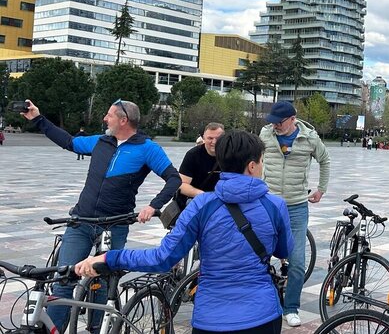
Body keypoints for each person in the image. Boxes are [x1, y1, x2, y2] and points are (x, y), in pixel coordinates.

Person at [75, 130, 293, 334]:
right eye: (262, 161)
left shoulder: (202, 205)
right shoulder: (275, 205)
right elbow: (284, 250)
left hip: (211, 318)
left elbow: (162, 258)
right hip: (262, 314)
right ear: (252, 166)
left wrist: (111, 257)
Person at [20, 99, 181, 332]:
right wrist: (37, 118)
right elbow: (68, 141)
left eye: (109, 115)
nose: (105, 119)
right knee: (64, 280)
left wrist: (153, 205)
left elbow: (173, 178)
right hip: (81, 221)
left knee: (103, 285)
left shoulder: (147, 148)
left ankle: (98, 330)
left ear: (123, 120)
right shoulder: (100, 141)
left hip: (114, 225)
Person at [259, 101, 330, 327]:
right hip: (267, 203)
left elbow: (325, 160)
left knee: (297, 262)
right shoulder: (265, 134)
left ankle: (291, 307)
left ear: (293, 119)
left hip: (297, 206)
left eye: (279, 122)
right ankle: (262, 304)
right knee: (258, 255)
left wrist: (321, 189)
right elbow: (251, 157)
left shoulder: (310, 138)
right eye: (273, 122)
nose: (275, 126)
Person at [178, 123, 226, 207]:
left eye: (218, 138)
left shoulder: (230, 155)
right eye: (210, 138)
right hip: (196, 199)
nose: (214, 142)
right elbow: (181, 185)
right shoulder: (193, 155)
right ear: (203, 138)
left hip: (222, 200)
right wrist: (203, 195)